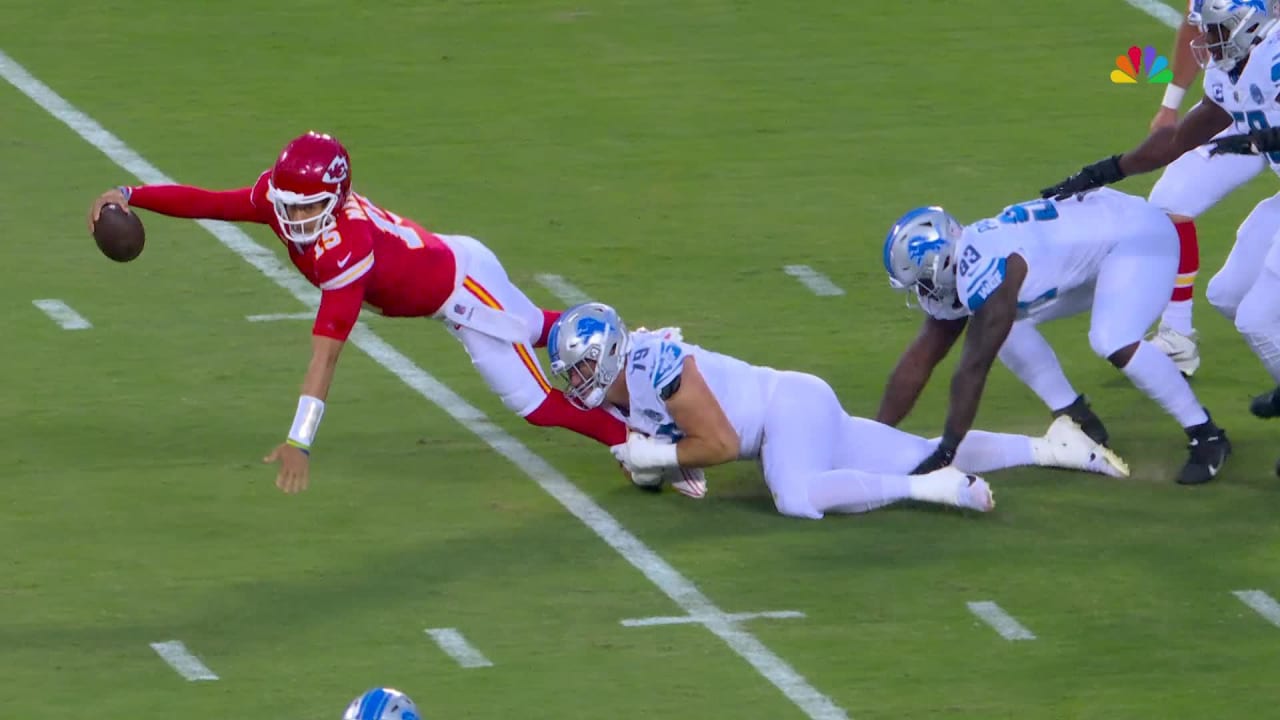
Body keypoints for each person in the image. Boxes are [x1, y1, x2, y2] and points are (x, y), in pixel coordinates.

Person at [87, 131, 630, 493]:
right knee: (540, 331)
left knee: (532, 397)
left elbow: (326, 357)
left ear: (335, 197)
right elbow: (208, 201)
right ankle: (637, 382)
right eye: (289, 203)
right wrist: (130, 194)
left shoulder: (348, 245)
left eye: (307, 206)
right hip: (449, 271)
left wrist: (301, 439)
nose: (294, 215)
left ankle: (643, 444)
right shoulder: (278, 199)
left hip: (462, 289)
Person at [544, 303, 1129, 520]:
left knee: (796, 497)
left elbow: (717, 443)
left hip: (783, 414)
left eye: (577, 367)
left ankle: (935, 491)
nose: (573, 381)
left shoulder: (655, 367)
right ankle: (1057, 446)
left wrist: (657, 454)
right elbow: (684, 471)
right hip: (796, 407)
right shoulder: (626, 387)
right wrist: (651, 468)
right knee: (918, 451)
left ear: (610, 355)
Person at [880, 190, 1229, 485]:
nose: (921, 292)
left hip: (1138, 238)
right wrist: (873, 432)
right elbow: (921, 357)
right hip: (1094, 248)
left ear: (941, 263)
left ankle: (1207, 433)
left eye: (921, 281)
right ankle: (1080, 421)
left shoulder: (991, 273)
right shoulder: (967, 264)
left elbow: (972, 369)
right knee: (1003, 328)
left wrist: (947, 452)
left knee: (1112, 338)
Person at [1042, 1, 1280, 382]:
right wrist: (1103, 171)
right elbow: (1179, 141)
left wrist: (1263, 140)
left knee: (1258, 318)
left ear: (1247, 27)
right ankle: (1178, 336)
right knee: (1226, 296)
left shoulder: (1273, 59)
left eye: (1216, 32)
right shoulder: (1232, 70)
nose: (1207, 42)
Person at [1143, 0, 1270, 375]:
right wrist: (1171, 103)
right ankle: (1176, 334)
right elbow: (1195, 23)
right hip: (1234, 111)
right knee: (1168, 203)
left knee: (1239, 294)